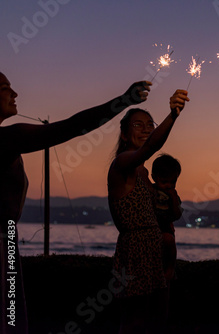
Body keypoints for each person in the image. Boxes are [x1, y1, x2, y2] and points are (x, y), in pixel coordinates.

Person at [0, 71, 151, 334]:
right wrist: (123, 100)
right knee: (7, 316)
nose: (14, 93)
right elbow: (71, 127)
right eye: (5, 88)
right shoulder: (5, 139)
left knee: (9, 314)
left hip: (8, 237)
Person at [107, 90, 189, 334]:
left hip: (154, 249)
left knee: (157, 319)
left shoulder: (146, 175)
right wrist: (173, 115)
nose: (145, 130)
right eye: (137, 125)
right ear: (123, 133)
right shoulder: (122, 163)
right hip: (135, 250)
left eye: (149, 125)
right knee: (133, 321)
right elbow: (151, 146)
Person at [151, 153, 182, 281]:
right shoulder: (150, 190)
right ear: (154, 178)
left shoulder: (173, 195)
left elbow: (177, 214)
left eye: (173, 182)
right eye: (164, 182)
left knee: (169, 241)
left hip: (165, 226)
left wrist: (174, 198)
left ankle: (170, 268)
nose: (169, 185)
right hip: (151, 226)